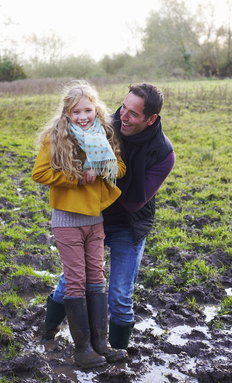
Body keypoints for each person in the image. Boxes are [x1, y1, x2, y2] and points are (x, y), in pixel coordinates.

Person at [42, 82, 175, 351]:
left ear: (151, 119)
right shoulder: (102, 124)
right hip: (90, 217)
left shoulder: (163, 153)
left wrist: (102, 171)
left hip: (129, 224)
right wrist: (80, 176)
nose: (123, 116)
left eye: (133, 114)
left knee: (120, 296)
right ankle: (47, 334)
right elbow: (63, 155)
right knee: (70, 280)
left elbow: (134, 201)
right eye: (123, 107)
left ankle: (116, 353)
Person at [32, 80, 127, 368]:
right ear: (67, 114)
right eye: (77, 112)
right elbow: (39, 173)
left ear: (96, 111)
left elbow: (119, 168)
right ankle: (82, 349)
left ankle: (101, 343)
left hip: (94, 218)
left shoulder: (103, 135)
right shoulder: (56, 136)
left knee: (97, 277)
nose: (83, 116)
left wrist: (99, 166)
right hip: (66, 220)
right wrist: (75, 176)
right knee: (75, 279)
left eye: (88, 110)